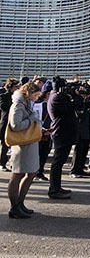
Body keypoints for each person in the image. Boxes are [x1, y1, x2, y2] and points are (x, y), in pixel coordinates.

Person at [6, 82, 42, 218]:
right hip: (22, 146)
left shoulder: (26, 104)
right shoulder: (18, 105)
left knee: (31, 173)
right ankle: (14, 207)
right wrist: (32, 119)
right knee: (18, 175)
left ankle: (20, 203)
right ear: (28, 93)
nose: (37, 97)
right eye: (36, 94)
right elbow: (15, 126)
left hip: (29, 144)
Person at [48, 76, 78, 199]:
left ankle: (57, 186)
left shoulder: (58, 96)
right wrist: (73, 97)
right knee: (57, 162)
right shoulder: (56, 97)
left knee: (59, 162)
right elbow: (70, 109)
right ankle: (54, 190)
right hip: (61, 132)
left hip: (64, 132)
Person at [70, 83, 90, 178]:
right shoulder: (76, 100)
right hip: (80, 127)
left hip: (88, 127)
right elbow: (79, 113)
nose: (85, 94)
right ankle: (74, 169)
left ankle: (80, 168)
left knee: (85, 149)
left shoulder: (87, 100)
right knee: (79, 149)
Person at [34, 81, 53, 181]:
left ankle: (40, 171)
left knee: (45, 153)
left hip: (48, 133)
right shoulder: (37, 103)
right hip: (38, 132)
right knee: (37, 153)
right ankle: (34, 172)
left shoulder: (52, 103)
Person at [1, 78, 20, 171]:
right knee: (5, 144)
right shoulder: (4, 96)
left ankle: (12, 163)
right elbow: (4, 107)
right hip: (6, 122)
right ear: (11, 87)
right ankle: (2, 163)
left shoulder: (19, 97)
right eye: (16, 86)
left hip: (15, 122)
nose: (18, 88)